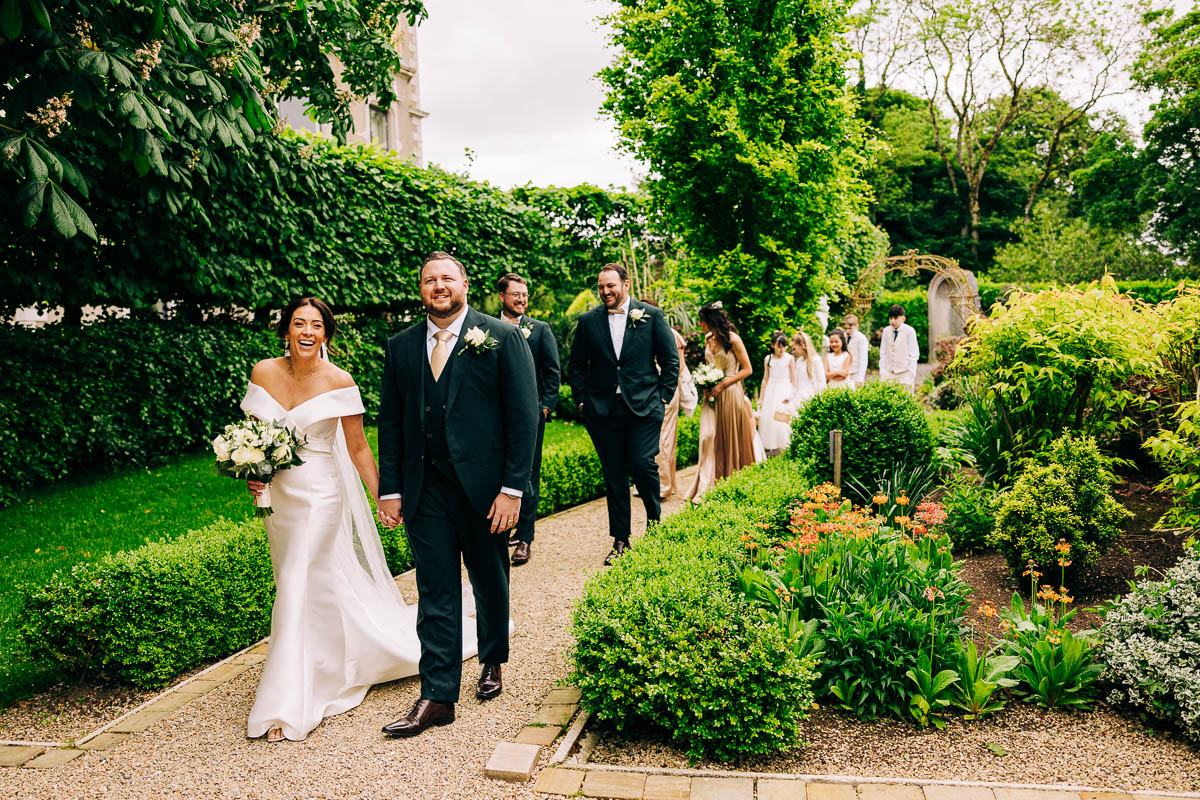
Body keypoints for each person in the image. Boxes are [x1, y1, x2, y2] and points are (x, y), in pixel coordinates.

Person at [242, 298, 444, 743]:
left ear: (326, 335)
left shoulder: (340, 381)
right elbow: (254, 439)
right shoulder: (264, 372)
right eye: (299, 323)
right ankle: (324, 661)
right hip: (280, 500)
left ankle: (286, 705)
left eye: (316, 325)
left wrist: (383, 497)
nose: (307, 331)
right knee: (298, 583)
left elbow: (357, 448)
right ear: (286, 330)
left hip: (319, 495)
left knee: (296, 581)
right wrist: (252, 475)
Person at [375, 252, 539, 738]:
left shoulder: (503, 337)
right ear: (421, 288)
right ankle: (438, 695)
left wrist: (512, 491)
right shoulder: (401, 346)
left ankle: (491, 658)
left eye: (447, 278)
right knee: (435, 591)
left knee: (490, 577)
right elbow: (391, 423)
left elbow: (524, 418)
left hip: (487, 491)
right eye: (430, 280)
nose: (439, 286)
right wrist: (391, 488)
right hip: (426, 491)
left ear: (465, 283)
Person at [568, 264, 680, 566]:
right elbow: (576, 365)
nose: (605, 292)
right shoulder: (589, 321)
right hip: (603, 411)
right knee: (614, 474)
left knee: (642, 463)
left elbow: (670, 361)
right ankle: (621, 539)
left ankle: (655, 524)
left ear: (625, 285)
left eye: (611, 286)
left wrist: (663, 398)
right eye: (601, 287)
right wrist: (582, 402)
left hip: (644, 407)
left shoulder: (651, 316)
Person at [497, 272, 561, 567]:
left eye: (524, 295)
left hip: (530, 416)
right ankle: (504, 528)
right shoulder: (487, 329)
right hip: (495, 417)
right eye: (515, 295)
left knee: (528, 476)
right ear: (502, 297)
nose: (521, 300)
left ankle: (525, 539)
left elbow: (552, 371)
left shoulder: (539, 329)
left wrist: (545, 406)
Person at [686, 301, 757, 501]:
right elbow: (710, 365)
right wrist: (706, 382)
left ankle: (728, 480)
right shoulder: (708, 339)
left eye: (701, 321)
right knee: (708, 436)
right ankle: (707, 482)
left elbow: (747, 369)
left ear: (710, 320)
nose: (700, 325)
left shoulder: (733, 340)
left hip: (730, 393)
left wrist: (723, 384)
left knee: (727, 437)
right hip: (712, 395)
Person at [640, 299, 690, 499]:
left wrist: (662, 389)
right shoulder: (649, 331)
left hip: (663, 391)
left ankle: (663, 485)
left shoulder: (670, 334)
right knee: (661, 437)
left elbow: (678, 366)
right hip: (652, 390)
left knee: (663, 438)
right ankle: (668, 483)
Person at [757, 331, 796, 456]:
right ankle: (770, 446)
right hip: (771, 389)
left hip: (784, 388)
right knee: (769, 416)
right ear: (772, 345)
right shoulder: (768, 359)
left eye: (784, 346)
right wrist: (761, 397)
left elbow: (793, 378)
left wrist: (793, 394)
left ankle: (785, 444)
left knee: (782, 417)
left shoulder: (789, 358)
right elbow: (765, 378)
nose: (782, 349)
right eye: (779, 346)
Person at [878, 304, 919, 393]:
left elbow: (914, 353)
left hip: (904, 373)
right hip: (888, 373)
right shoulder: (886, 330)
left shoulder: (910, 331)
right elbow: (883, 352)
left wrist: (911, 373)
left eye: (896, 318)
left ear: (903, 319)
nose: (893, 321)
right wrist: (882, 370)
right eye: (890, 318)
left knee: (906, 399)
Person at [782, 329, 826, 411]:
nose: (792, 352)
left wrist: (820, 400)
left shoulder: (815, 360)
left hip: (811, 398)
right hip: (799, 399)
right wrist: (790, 397)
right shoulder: (799, 361)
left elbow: (821, 382)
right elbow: (798, 385)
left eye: (794, 348)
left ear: (803, 345)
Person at [842, 314, 869, 388]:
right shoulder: (843, 336)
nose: (847, 331)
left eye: (850, 328)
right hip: (844, 372)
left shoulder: (862, 339)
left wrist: (860, 378)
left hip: (856, 373)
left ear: (857, 326)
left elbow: (863, 359)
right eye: (846, 328)